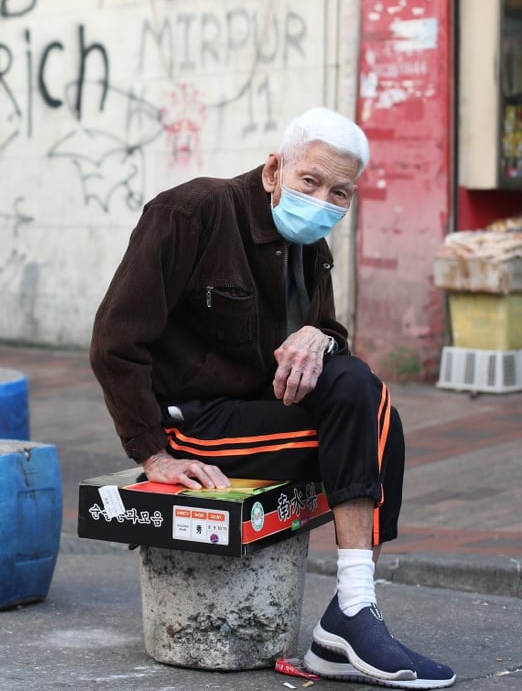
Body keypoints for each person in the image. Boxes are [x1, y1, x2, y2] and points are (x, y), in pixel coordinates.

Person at [88, 107, 455, 689]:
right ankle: (350, 618)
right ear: (273, 171)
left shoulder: (311, 245)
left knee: (361, 391)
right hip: (196, 423)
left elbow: (330, 339)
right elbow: (115, 341)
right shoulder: (191, 213)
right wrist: (152, 453)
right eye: (310, 181)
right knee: (375, 421)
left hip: (262, 414)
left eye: (341, 192)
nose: (323, 200)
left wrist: (320, 336)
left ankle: (353, 614)